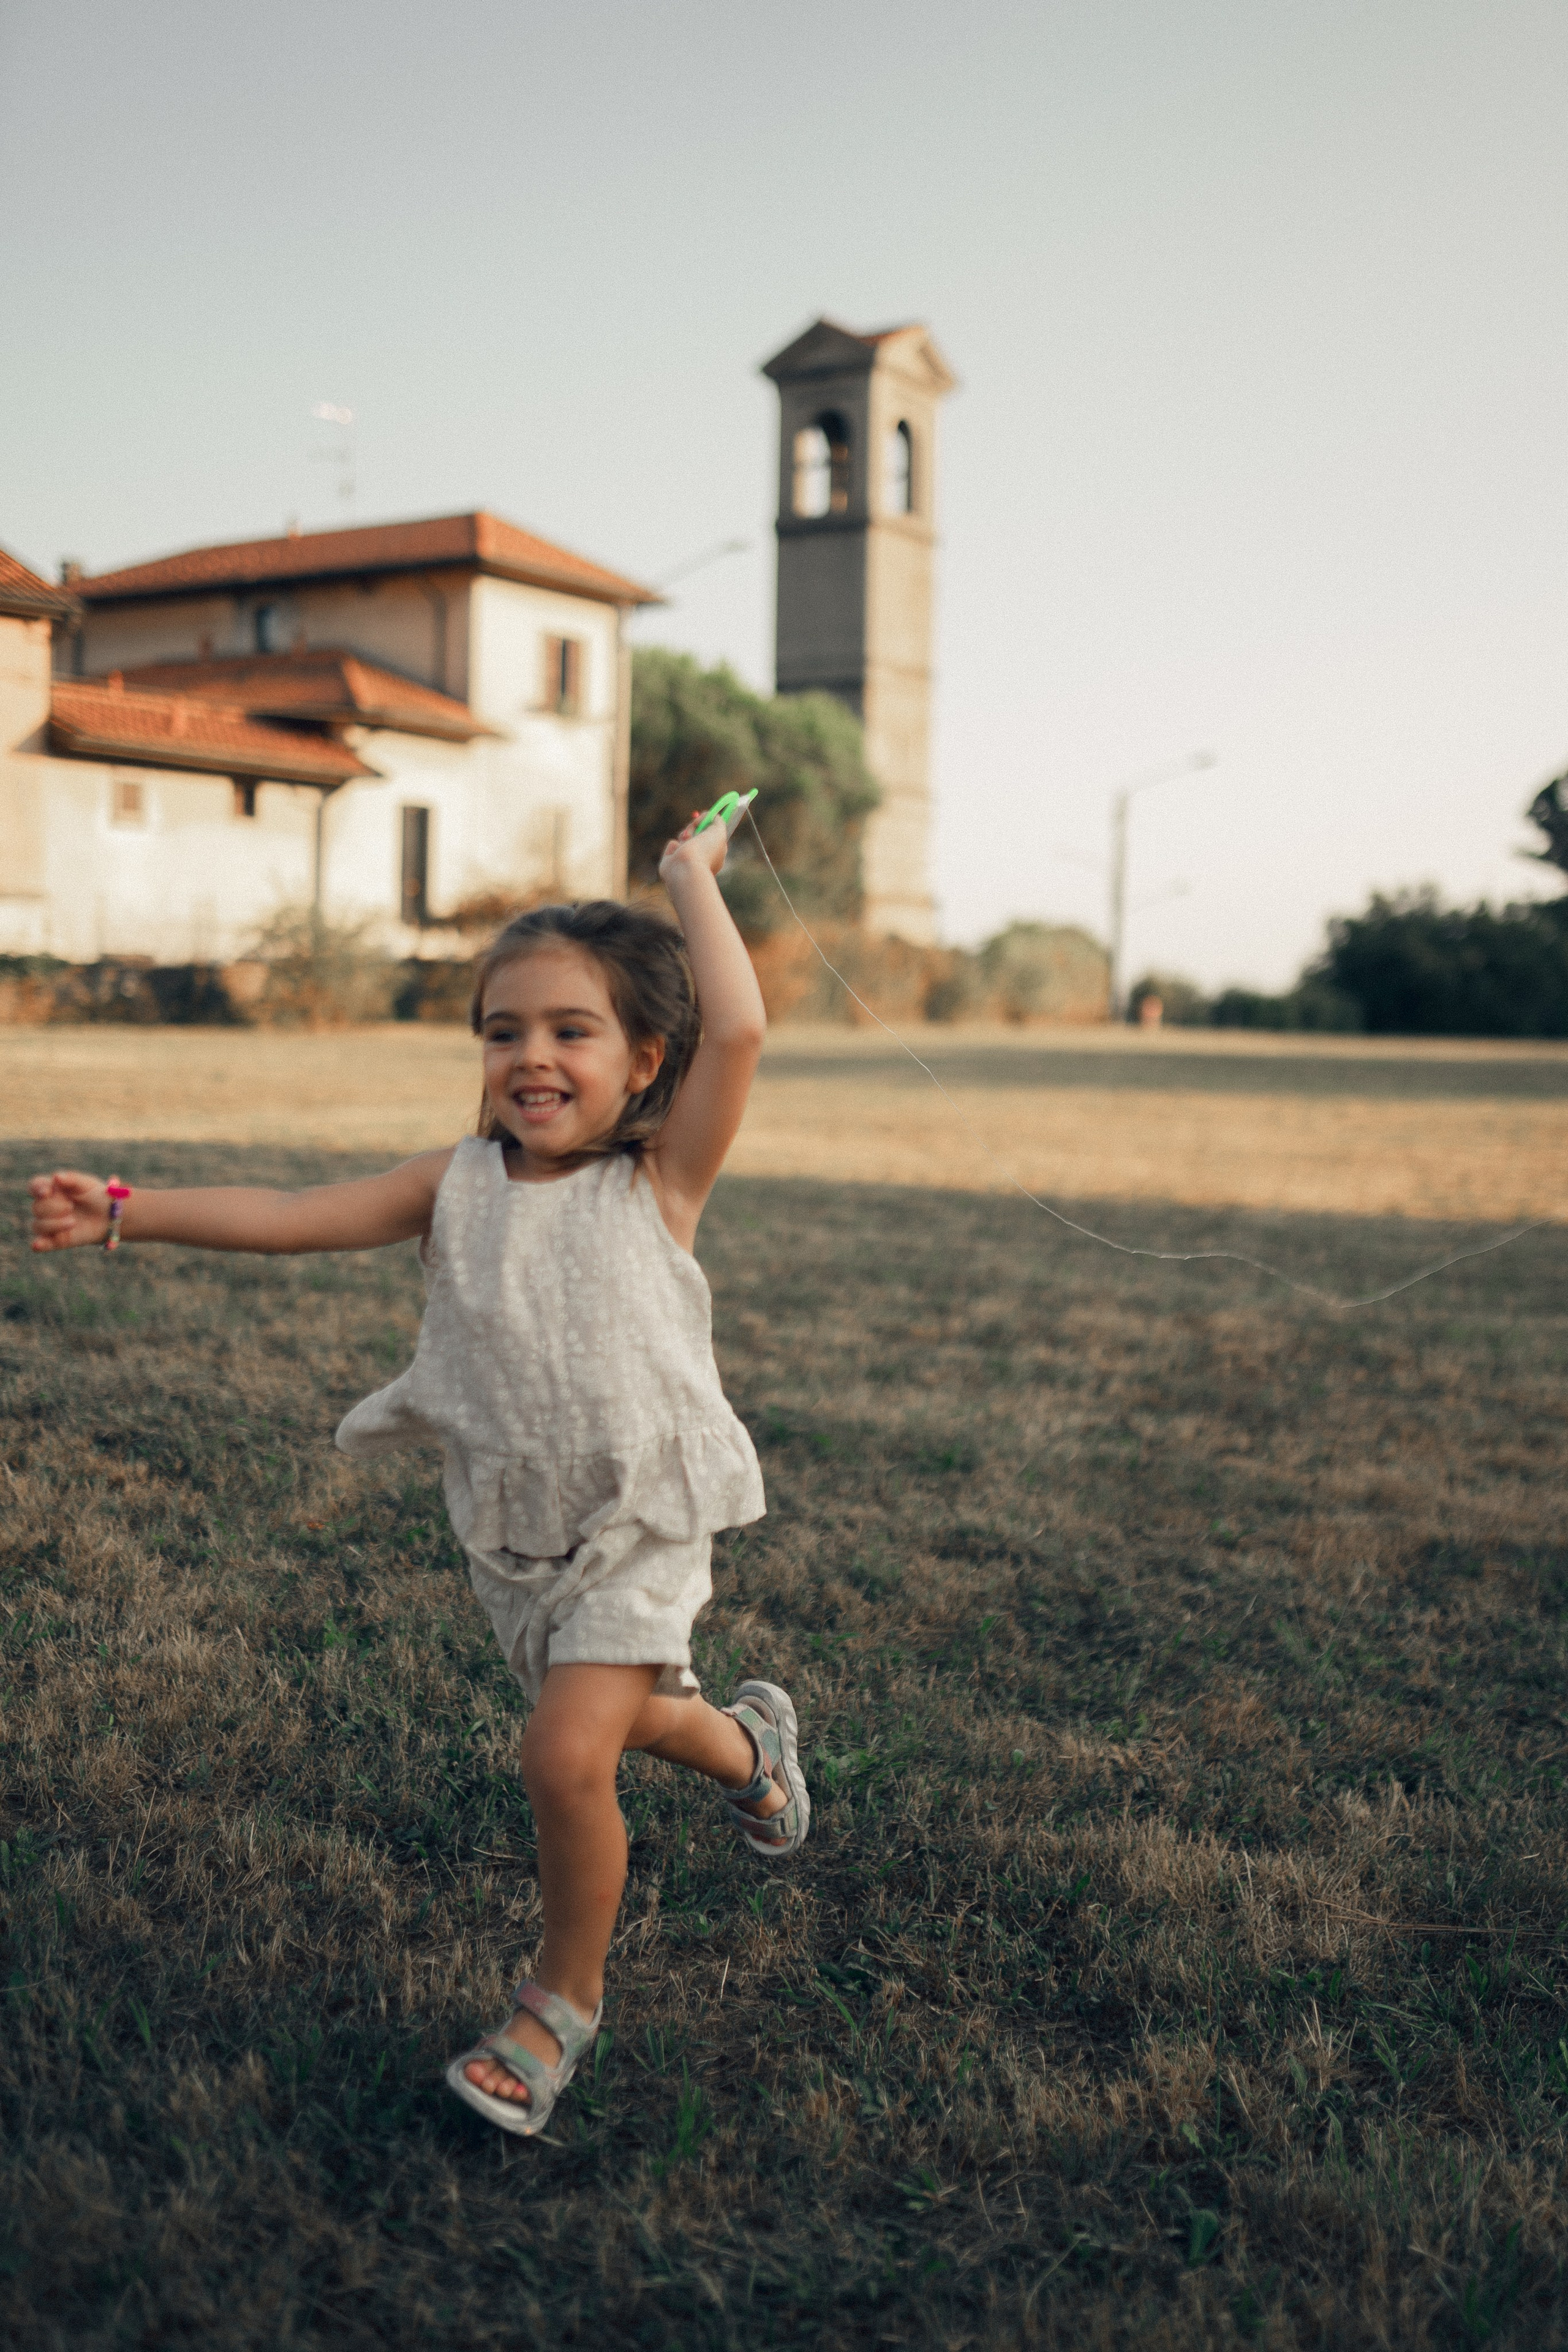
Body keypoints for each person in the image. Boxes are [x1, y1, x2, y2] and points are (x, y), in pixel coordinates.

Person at [27, 813, 809, 2139]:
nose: (531, 1055)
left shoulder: (658, 1182)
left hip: (642, 1519)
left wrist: (687, 877)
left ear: (643, 1062)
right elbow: (291, 1220)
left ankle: (559, 2007)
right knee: (629, 1715)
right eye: (503, 1031)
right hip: (518, 1533)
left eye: (570, 1030)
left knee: (564, 1750)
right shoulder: (453, 1183)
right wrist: (128, 1211)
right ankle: (749, 1751)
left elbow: (737, 1031)